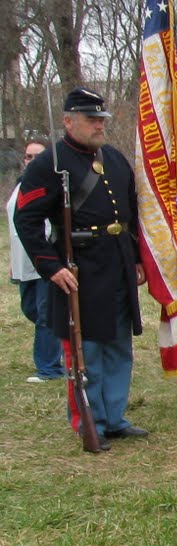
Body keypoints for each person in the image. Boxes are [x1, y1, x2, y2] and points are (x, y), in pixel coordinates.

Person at [13, 87, 146, 448]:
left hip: (116, 263)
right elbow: (26, 219)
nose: (98, 125)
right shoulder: (49, 164)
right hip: (80, 270)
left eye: (101, 119)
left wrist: (135, 258)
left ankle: (115, 417)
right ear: (69, 121)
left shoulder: (115, 159)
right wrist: (51, 266)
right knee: (86, 348)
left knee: (118, 344)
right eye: (91, 119)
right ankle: (92, 422)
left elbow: (130, 217)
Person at [8, 137, 65, 384]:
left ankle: (49, 368)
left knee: (45, 314)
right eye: (28, 156)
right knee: (30, 309)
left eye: (37, 156)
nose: (31, 161)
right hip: (22, 262)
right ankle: (61, 345)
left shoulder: (49, 187)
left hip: (43, 262)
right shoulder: (20, 185)